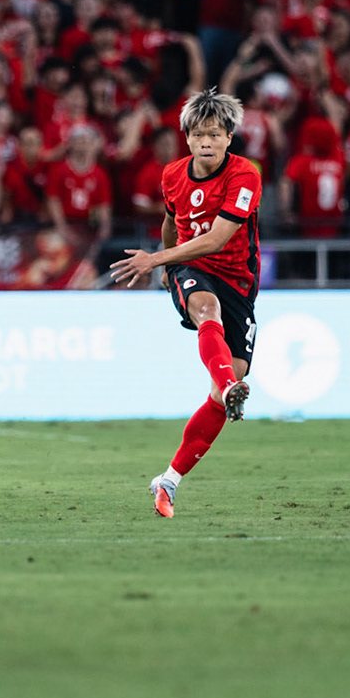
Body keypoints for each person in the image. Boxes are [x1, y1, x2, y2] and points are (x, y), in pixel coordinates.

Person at [108, 89, 263, 519]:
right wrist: (167, 267)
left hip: (239, 284)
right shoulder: (172, 174)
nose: (207, 143)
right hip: (194, 273)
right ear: (188, 138)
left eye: (215, 134)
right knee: (206, 311)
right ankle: (231, 385)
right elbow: (171, 221)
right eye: (199, 135)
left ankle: (169, 481)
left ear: (229, 137)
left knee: (217, 394)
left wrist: (154, 260)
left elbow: (216, 238)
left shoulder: (245, 175)